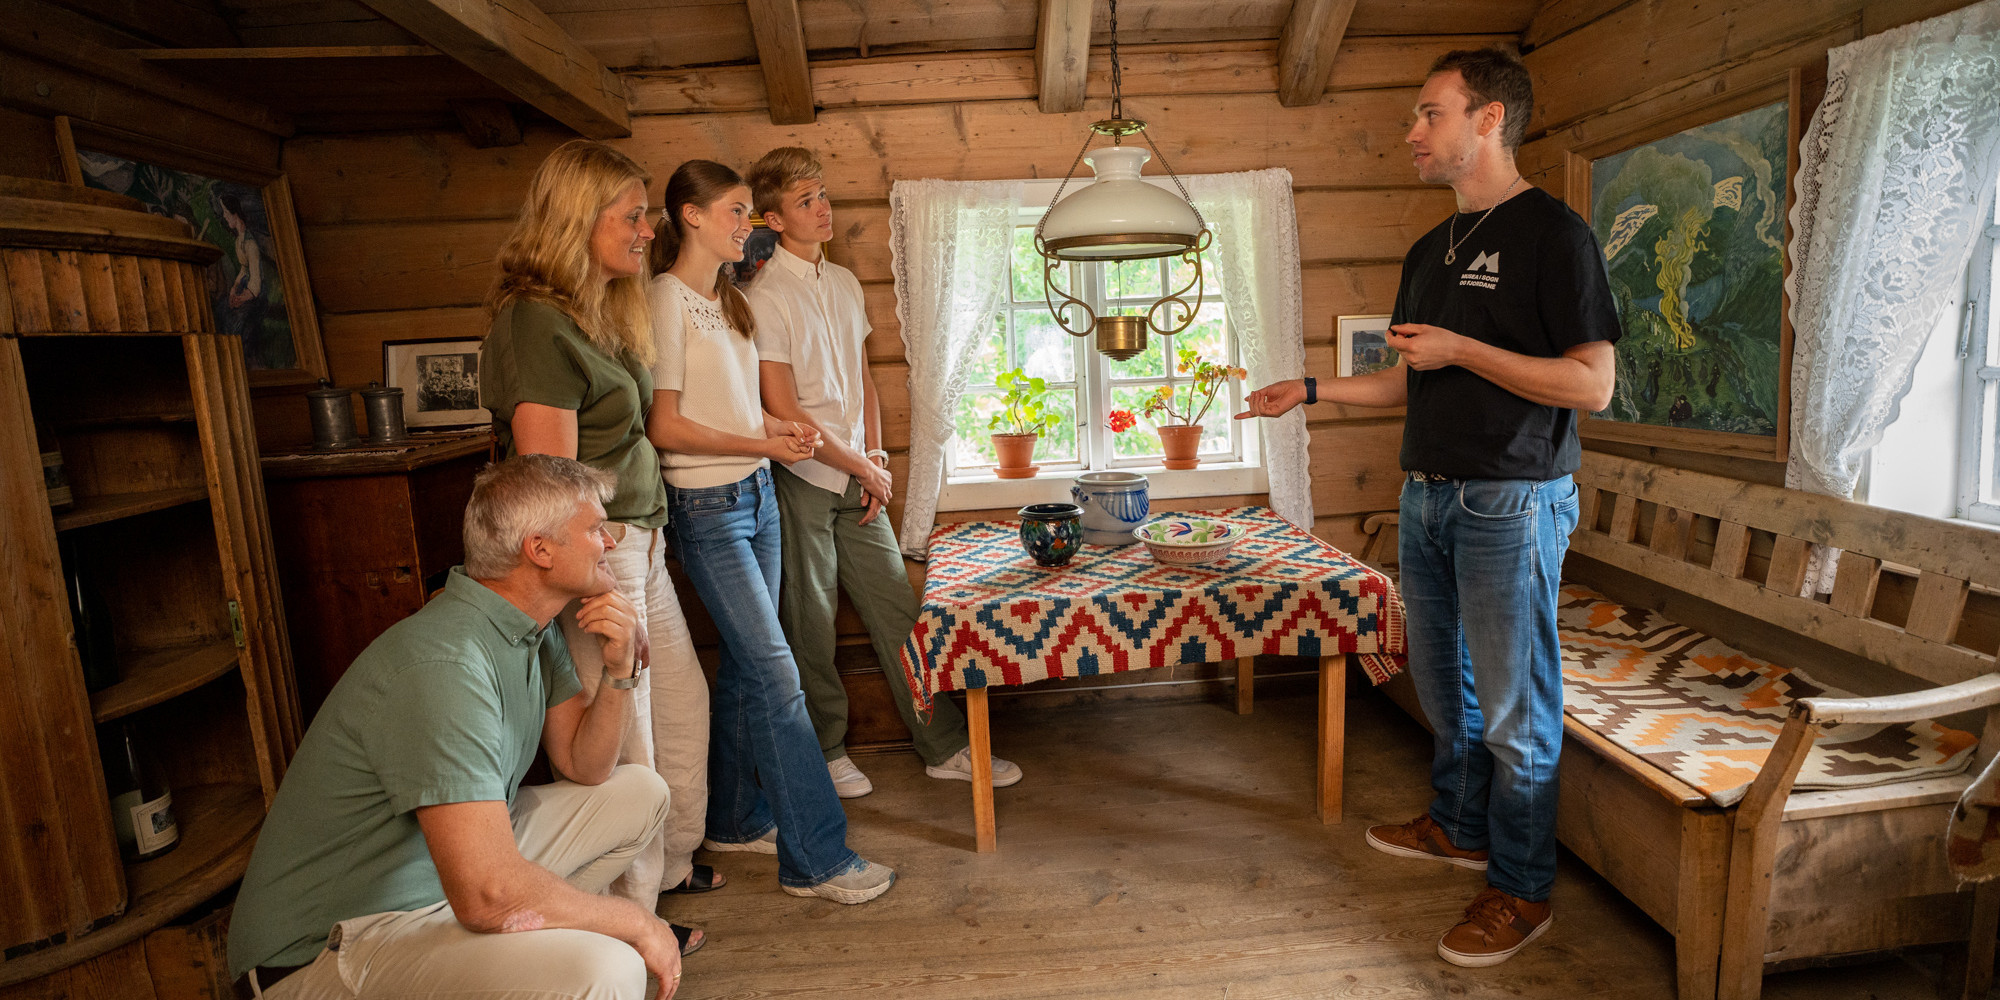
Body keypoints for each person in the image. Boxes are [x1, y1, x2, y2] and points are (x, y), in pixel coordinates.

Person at [1236, 48, 1617, 967]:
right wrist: (1315, 389)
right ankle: (1458, 826)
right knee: (1446, 687)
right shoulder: (1428, 249)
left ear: (1489, 120)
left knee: (1517, 710)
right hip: (1430, 498)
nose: (1413, 132)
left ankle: (1522, 893)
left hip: (1511, 503)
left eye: (1430, 114)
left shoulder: (1554, 238)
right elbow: (1413, 381)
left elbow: (1592, 385)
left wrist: (1465, 350)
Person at [227, 455, 687, 1000]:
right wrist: (634, 923)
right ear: (539, 550)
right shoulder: (445, 664)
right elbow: (485, 892)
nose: (609, 541)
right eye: (592, 529)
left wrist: (618, 673)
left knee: (639, 793)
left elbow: (585, 767)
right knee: (607, 970)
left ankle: (515, 954)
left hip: (441, 887)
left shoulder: (529, 627)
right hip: (326, 949)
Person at [479, 140, 715, 949]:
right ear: (578, 220)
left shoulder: (599, 308)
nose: (647, 230)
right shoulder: (535, 323)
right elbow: (550, 481)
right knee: (629, 741)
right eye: (633, 215)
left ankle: (673, 865)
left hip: (642, 544)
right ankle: (630, 920)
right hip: (597, 554)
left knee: (680, 708)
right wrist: (597, 563)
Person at [645, 159, 896, 904]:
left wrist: (780, 433)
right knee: (779, 677)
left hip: (755, 498)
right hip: (708, 510)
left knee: (745, 673)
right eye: (734, 211)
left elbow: (733, 409)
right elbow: (665, 426)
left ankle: (730, 817)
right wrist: (765, 443)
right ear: (691, 216)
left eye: (751, 212)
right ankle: (815, 861)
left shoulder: (729, 301)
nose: (746, 224)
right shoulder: (664, 299)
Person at [743, 146, 1024, 799]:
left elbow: (863, 380)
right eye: (806, 200)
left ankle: (943, 744)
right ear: (774, 219)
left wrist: (876, 458)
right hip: (804, 480)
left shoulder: (842, 283)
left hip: (857, 475)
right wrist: (858, 468)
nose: (823, 207)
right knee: (810, 621)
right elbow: (783, 411)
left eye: (823, 195)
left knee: (899, 612)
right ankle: (829, 752)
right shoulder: (763, 295)